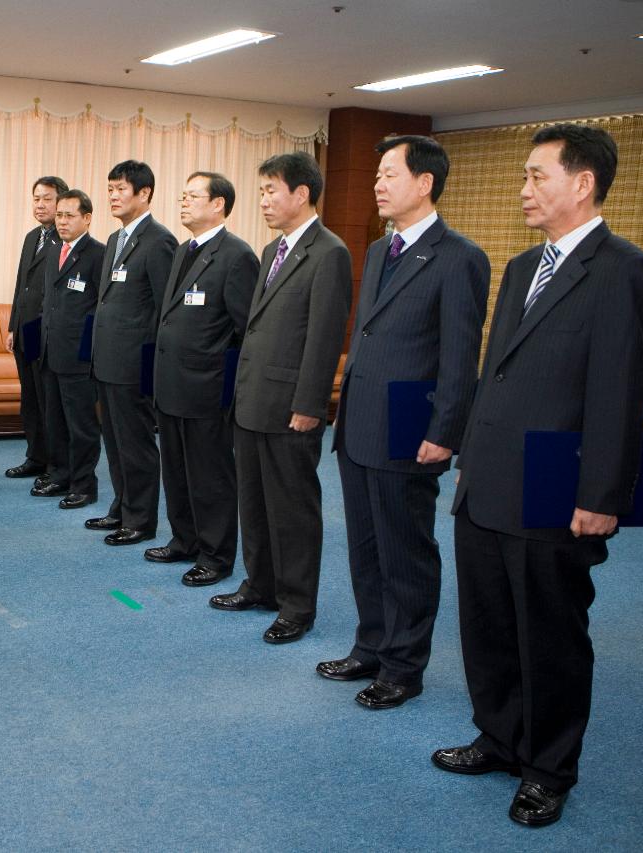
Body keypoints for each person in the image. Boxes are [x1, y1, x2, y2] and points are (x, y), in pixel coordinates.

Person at [436, 123, 643, 828]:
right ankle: (500, 736)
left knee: (550, 633)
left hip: (555, 484)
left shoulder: (623, 269)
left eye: (538, 176)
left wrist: (603, 497)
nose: (524, 189)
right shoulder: (523, 265)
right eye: (524, 177)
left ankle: (548, 767)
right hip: (489, 478)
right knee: (489, 622)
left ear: (583, 182)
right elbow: (495, 373)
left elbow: (620, 393)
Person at [320, 135, 489, 707]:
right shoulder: (378, 251)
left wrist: (444, 432)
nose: (377, 184)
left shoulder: (459, 257)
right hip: (359, 421)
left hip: (409, 427)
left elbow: (459, 357)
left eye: (390, 173)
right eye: (376, 175)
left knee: (405, 551)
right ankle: (370, 645)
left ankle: (403, 665)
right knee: (365, 547)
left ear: (425, 183)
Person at [209, 153, 352, 644]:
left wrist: (311, 405)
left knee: (292, 510)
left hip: (292, 407)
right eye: (263, 190)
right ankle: (260, 584)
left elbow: (323, 336)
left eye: (272, 190)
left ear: (302, 194)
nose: (264, 199)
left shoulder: (329, 252)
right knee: (254, 502)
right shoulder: (272, 251)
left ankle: (296, 605)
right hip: (252, 401)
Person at [148, 172, 257, 586]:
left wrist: (226, 386)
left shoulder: (236, 256)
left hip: (208, 389)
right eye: (183, 194)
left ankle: (216, 556)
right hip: (172, 385)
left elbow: (246, 330)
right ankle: (184, 539)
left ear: (218, 205)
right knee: (176, 471)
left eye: (193, 195)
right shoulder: (183, 251)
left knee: (210, 476)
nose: (184, 201)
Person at [87, 160, 176, 545]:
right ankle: (122, 507)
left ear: (144, 193)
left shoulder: (159, 241)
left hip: (134, 363)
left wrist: (150, 365)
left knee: (136, 443)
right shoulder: (115, 239)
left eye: (121, 189)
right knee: (114, 440)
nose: (113, 196)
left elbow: (163, 310)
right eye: (110, 189)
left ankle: (140, 520)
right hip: (107, 360)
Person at [31, 190, 105, 508]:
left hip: (79, 357)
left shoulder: (98, 254)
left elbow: (101, 308)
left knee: (82, 426)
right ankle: (60, 475)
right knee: (55, 422)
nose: (62, 221)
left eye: (68, 215)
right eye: (59, 215)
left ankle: (84, 485)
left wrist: (89, 352)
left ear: (86, 218)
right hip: (50, 352)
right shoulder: (53, 251)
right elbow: (48, 302)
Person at [5, 176, 67, 482]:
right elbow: (22, 285)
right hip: (26, 329)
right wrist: (13, 325)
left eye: (47, 199)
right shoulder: (32, 237)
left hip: (48, 332)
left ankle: (55, 463)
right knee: (30, 397)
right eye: (36, 199)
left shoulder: (65, 238)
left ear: (62, 203)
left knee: (48, 400)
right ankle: (35, 456)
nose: (40, 205)